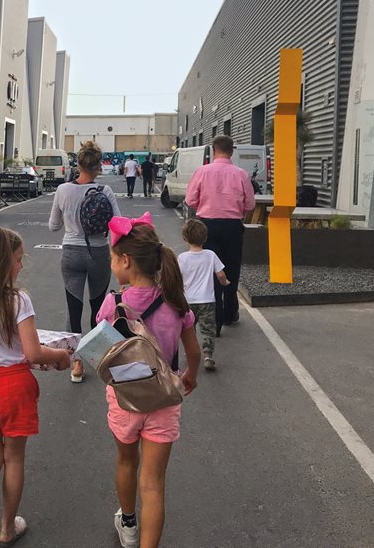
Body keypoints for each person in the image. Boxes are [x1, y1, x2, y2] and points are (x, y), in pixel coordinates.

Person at [0, 227, 72, 548]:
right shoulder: (19, 300)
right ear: (2, 263)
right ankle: (7, 528)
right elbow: (34, 352)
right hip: (14, 385)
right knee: (14, 459)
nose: (21, 266)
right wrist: (62, 355)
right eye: (18, 259)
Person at [96, 213, 201, 548]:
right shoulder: (174, 302)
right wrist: (189, 376)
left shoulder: (113, 304)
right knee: (154, 483)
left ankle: (128, 525)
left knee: (126, 460)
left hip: (125, 398)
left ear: (126, 261)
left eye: (113, 259)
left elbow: (101, 353)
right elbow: (193, 352)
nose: (111, 265)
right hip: (164, 399)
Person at [49, 140, 121, 382]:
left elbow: (53, 226)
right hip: (98, 253)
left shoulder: (63, 190)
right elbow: (118, 224)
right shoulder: (105, 192)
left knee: (73, 309)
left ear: (77, 163)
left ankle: (76, 364)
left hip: (71, 253)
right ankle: (99, 358)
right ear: (98, 167)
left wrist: (70, 221)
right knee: (98, 309)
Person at [184, 135, 255, 334]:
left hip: (208, 227)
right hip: (232, 226)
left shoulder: (202, 172)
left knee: (211, 270)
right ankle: (231, 312)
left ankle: (215, 319)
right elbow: (250, 204)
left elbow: (190, 200)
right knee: (231, 269)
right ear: (232, 151)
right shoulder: (241, 174)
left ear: (214, 150)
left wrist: (204, 205)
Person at [178, 219, 230, 371]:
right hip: (207, 300)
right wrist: (225, 282)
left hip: (188, 301)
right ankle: (208, 356)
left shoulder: (182, 258)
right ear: (205, 238)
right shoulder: (210, 255)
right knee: (208, 330)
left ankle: (191, 355)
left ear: (185, 238)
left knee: (189, 330)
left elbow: (177, 277)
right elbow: (220, 274)